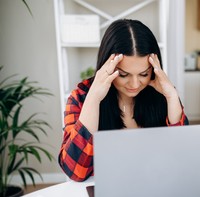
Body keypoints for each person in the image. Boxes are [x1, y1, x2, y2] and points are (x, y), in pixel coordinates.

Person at [59, 19, 188, 182]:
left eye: (143, 74)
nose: (135, 84)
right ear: (107, 67)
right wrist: (94, 98)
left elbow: (182, 159)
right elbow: (75, 171)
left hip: (157, 187)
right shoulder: (81, 98)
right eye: (123, 74)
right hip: (108, 194)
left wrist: (171, 96)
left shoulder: (163, 94)